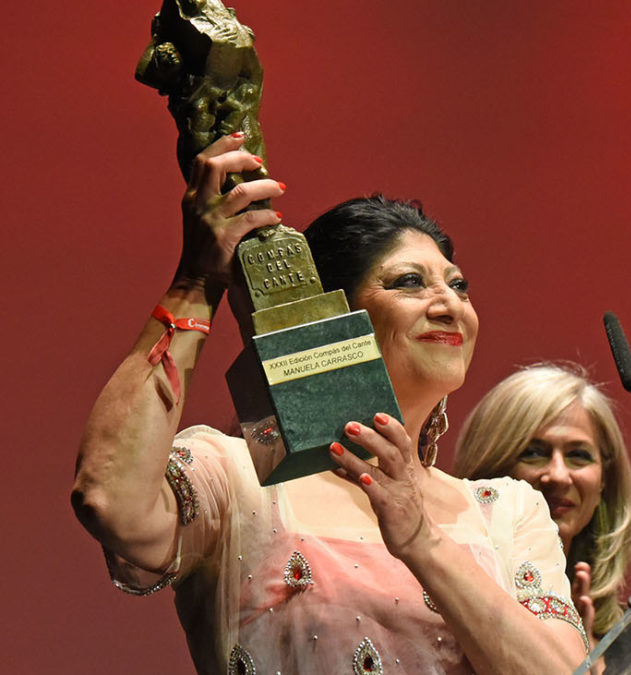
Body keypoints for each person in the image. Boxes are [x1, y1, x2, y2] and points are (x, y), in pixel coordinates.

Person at [71, 134, 587, 675]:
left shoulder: (506, 512)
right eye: (410, 282)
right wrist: (197, 281)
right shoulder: (237, 478)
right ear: (332, 317)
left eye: (459, 286)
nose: (448, 305)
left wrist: (422, 542)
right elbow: (108, 499)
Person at [453, 364, 631, 646]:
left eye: (578, 455)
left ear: (605, 480)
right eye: (533, 453)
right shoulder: (445, 599)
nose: (558, 476)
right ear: (489, 470)